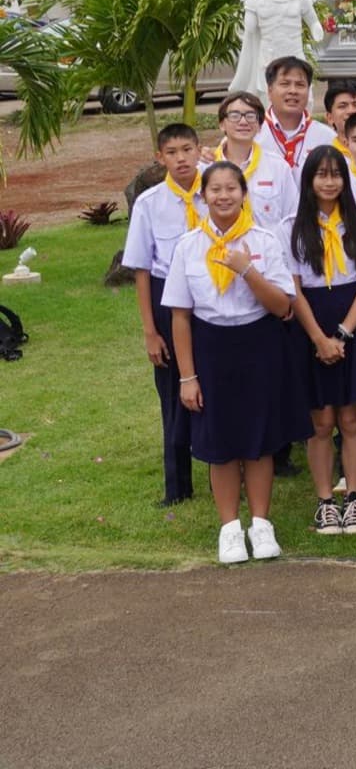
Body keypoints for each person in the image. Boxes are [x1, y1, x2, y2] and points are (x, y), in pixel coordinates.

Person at [164, 160, 304, 563]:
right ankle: (229, 528)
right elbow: (180, 316)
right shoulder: (189, 245)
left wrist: (248, 272)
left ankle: (261, 525)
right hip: (210, 346)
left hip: (259, 343)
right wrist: (187, 376)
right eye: (215, 189)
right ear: (203, 196)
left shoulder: (264, 240)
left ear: (244, 194)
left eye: (231, 188)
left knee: (258, 441)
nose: (223, 196)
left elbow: (282, 307)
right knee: (219, 441)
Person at [286, 145, 356, 538]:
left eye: (336, 174)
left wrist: (342, 334)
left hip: (352, 324)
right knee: (322, 421)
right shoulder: (290, 229)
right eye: (321, 175)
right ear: (309, 181)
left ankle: (354, 496)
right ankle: (326, 501)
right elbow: (293, 291)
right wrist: (319, 339)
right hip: (310, 323)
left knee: (351, 417)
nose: (329, 182)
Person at [124, 122, 207, 505]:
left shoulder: (218, 188)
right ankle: (178, 485)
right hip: (166, 299)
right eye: (171, 152)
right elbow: (142, 269)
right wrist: (149, 331)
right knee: (173, 392)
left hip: (213, 293)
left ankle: (235, 470)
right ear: (160, 158)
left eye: (187, 149)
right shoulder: (150, 203)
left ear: (199, 149)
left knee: (219, 382)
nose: (181, 158)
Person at [210, 91, 297, 226]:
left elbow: (292, 218)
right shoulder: (206, 167)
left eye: (251, 116)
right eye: (235, 116)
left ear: (260, 126)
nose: (243, 121)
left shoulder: (277, 167)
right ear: (222, 124)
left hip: (266, 246)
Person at [260, 55, 337, 170]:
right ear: (270, 91)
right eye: (285, 84)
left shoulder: (327, 137)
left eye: (300, 85)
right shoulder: (254, 135)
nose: (293, 91)